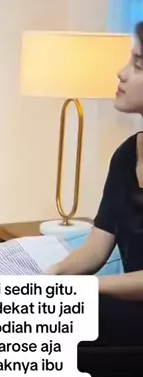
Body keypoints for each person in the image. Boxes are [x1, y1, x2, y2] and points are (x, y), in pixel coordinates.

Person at [47, 21, 143, 346]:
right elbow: (97, 248)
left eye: (137, 65)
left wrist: (88, 288)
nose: (121, 73)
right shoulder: (127, 155)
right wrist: (55, 273)